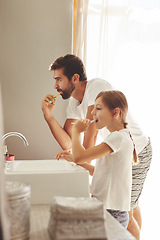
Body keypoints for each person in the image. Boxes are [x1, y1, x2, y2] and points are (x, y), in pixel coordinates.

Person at [41, 54, 152, 238]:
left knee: (127, 209)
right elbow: (68, 143)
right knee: (129, 205)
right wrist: (49, 116)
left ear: (75, 78)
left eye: (59, 79)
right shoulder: (74, 102)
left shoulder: (97, 89)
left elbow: (88, 142)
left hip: (137, 149)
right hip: (117, 150)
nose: (55, 86)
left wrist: (78, 157)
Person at [56, 90, 137, 228]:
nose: (92, 112)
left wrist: (76, 131)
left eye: (98, 108)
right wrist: (76, 161)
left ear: (115, 113)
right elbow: (99, 171)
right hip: (110, 209)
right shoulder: (119, 137)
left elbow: (80, 156)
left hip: (111, 211)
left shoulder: (117, 138)